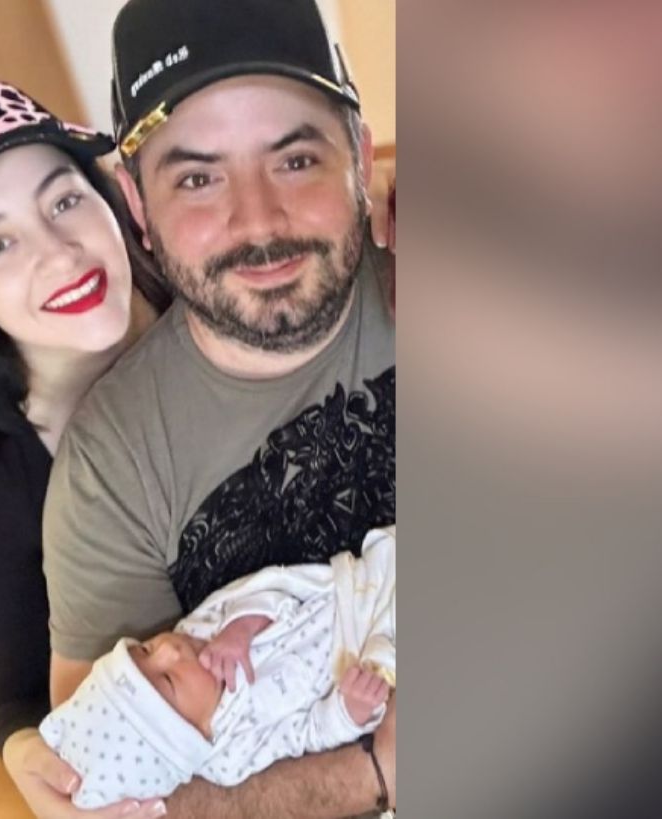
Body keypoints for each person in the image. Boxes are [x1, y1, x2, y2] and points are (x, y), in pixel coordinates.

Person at [0, 72, 395, 817]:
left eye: (63, 201)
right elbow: (24, 697)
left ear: (115, 196)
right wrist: (29, 752)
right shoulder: (0, 472)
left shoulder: (219, 280)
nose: (60, 254)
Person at [37, 0, 397, 815]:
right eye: (197, 178)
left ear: (358, 154)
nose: (257, 222)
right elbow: (108, 796)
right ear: (137, 205)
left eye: (296, 160)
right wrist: (374, 774)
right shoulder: (114, 471)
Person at [40, 529, 396, 810]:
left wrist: (241, 627)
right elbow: (304, 735)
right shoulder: (232, 755)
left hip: (354, 590)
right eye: (168, 679)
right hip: (363, 649)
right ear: (190, 735)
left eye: (145, 649)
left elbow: (270, 589)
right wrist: (350, 711)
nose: (169, 649)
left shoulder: (202, 631)